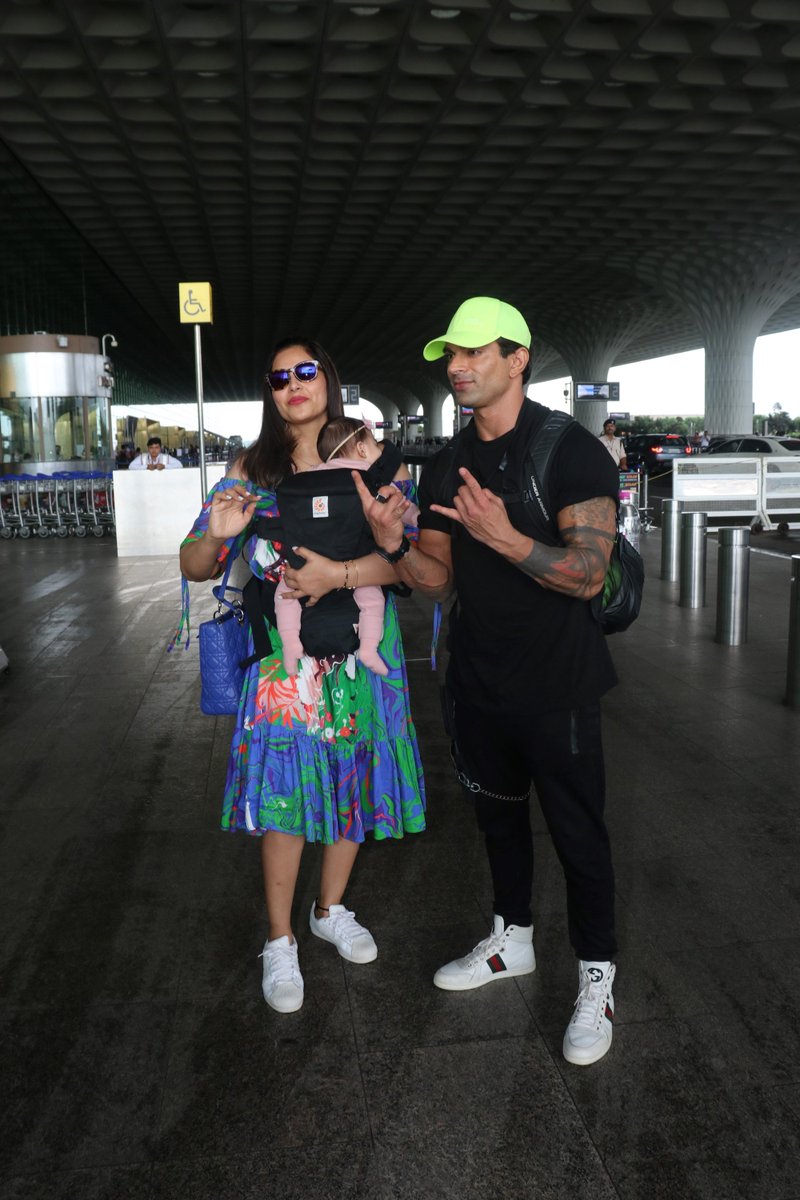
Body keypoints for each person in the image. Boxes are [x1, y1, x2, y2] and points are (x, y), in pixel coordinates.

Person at [352, 296, 620, 1067]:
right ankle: (513, 940)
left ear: (518, 359)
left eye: (475, 353)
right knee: (498, 822)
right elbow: (434, 582)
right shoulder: (445, 462)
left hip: (558, 685)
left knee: (578, 834)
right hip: (476, 679)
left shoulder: (571, 451)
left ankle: (598, 973)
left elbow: (590, 576)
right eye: (451, 354)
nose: (458, 366)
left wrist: (506, 539)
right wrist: (398, 543)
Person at [179, 338, 425, 1015]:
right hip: (284, 665)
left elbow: (410, 563)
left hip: (362, 653)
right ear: (270, 390)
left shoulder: (369, 459)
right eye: (280, 376)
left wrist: (341, 573)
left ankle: (331, 908)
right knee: (284, 795)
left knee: (356, 777)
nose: (294, 384)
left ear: (330, 380)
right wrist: (216, 532)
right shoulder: (250, 469)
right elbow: (197, 563)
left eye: (307, 371)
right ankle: (280, 939)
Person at [274, 416, 420, 679]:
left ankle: (290, 646)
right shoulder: (370, 482)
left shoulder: (306, 479)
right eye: (375, 445)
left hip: (305, 565)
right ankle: (368, 648)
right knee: (372, 600)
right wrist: (418, 518)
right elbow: (401, 509)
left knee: (285, 595)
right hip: (356, 562)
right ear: (363, 450)